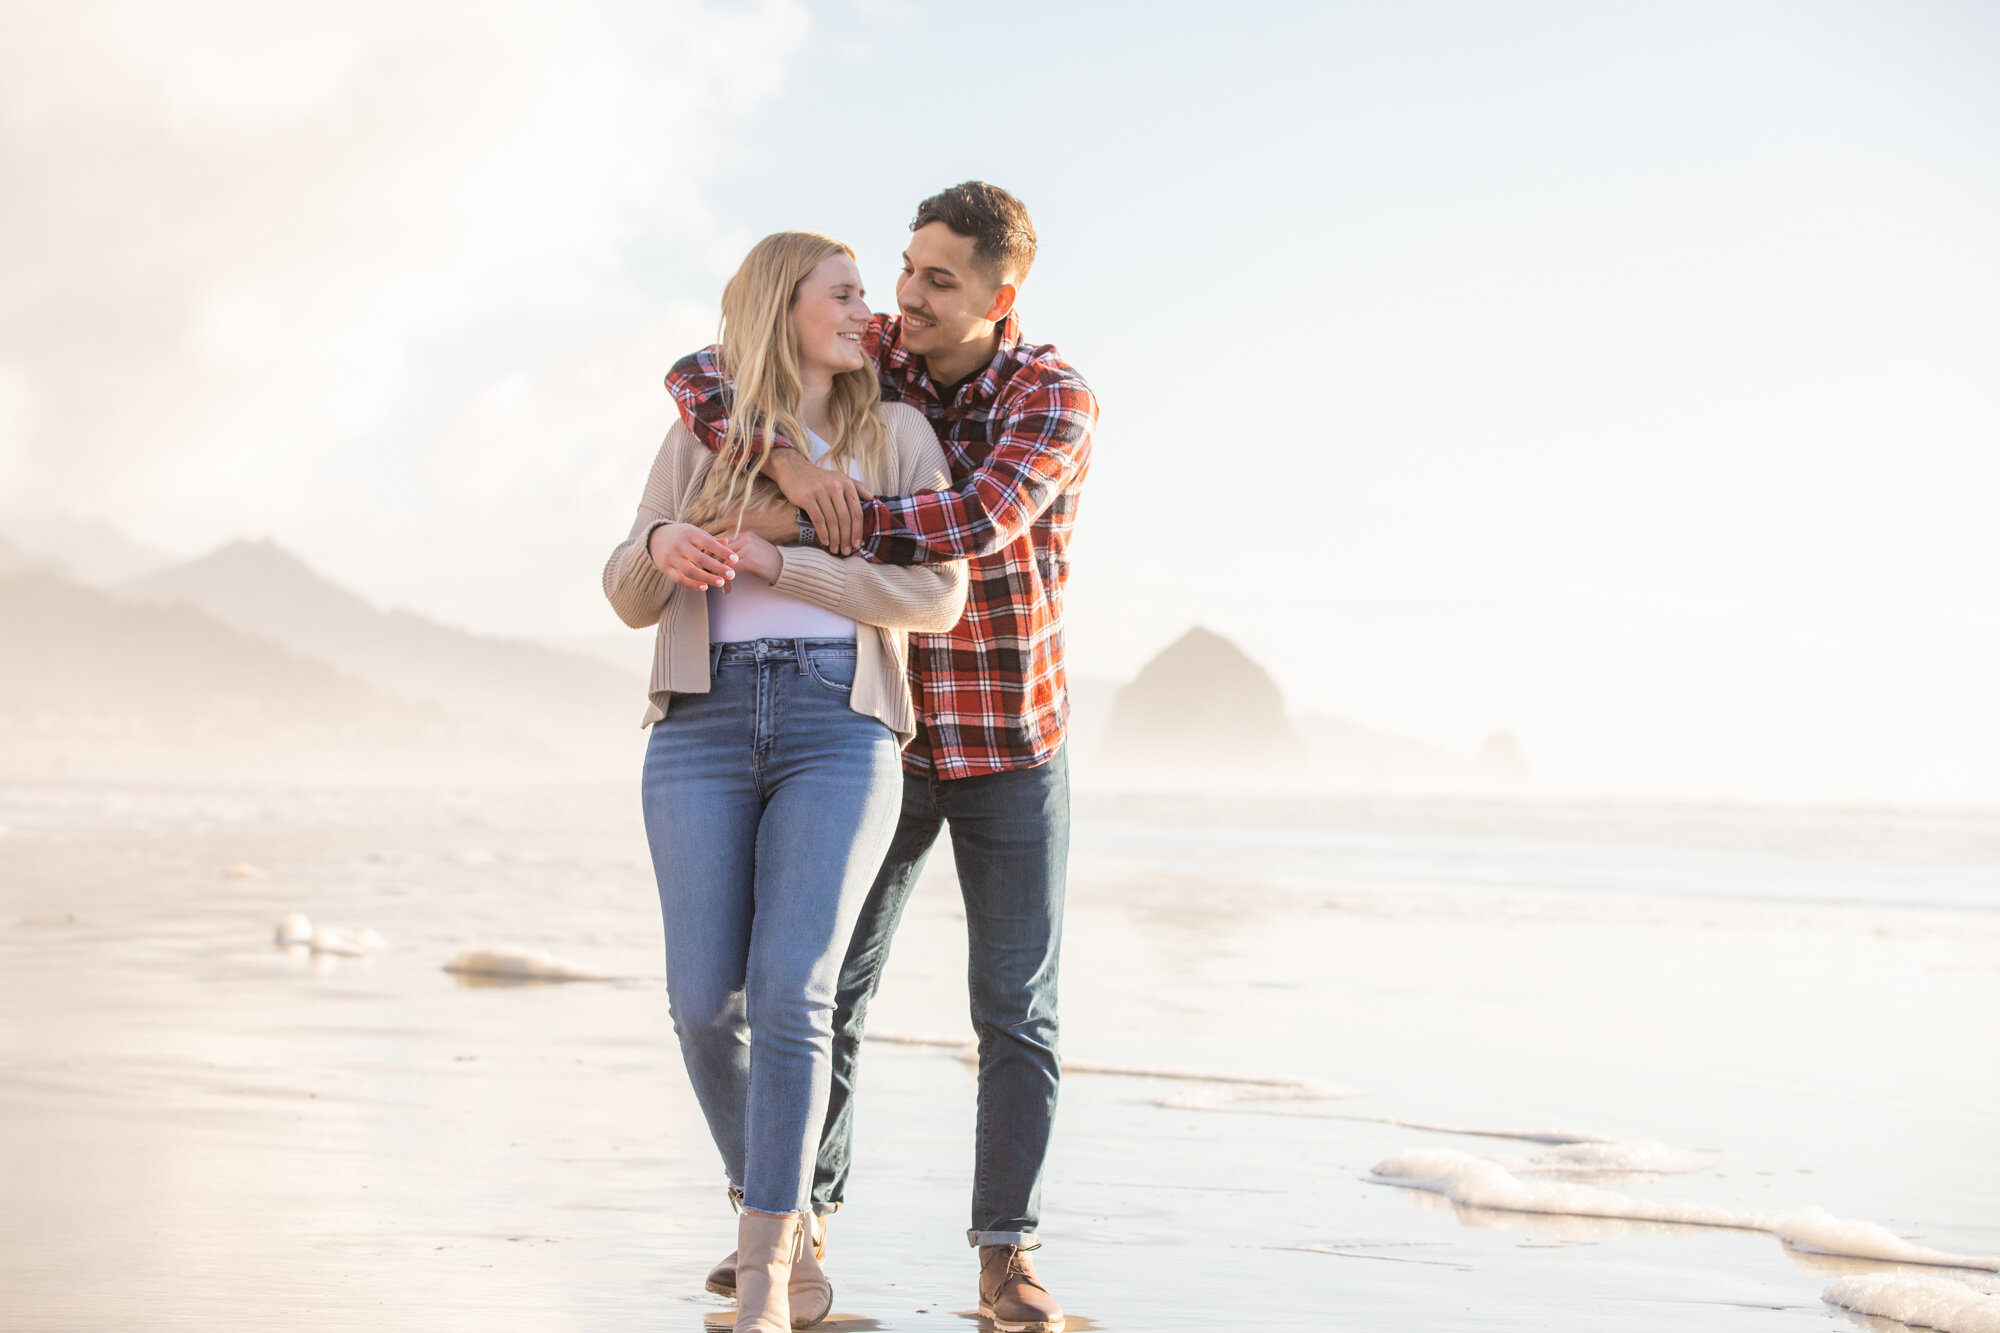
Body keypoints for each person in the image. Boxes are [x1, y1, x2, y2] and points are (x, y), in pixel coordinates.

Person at [664, 182, 1097, 1333]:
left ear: (1001, 297)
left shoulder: (1049, 395)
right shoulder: (885, 368)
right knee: (826, 993)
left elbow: (967, 525)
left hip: (1010, 734)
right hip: (880, 730)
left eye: (936, 279)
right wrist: (784, 458)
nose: (904, 296)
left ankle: (1004, 1257)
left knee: (1014, 1008)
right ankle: (792, 1226)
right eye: (904, 269)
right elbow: (702, 374)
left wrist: (796, 523)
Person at [603, 231, 968, 1333]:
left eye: (869, 291)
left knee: (790, 991)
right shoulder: (700, 438)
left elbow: (937, 597)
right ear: (782, 309)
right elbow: (624, 588)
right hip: (698, 725)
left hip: (835, 724)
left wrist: (781, 563)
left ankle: (765, 1276)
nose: (871, 312)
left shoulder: (894, 433)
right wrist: (667, 540)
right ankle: (787, 1216)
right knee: (701, 1006)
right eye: (845, 294)